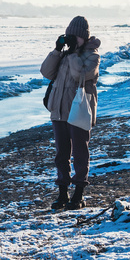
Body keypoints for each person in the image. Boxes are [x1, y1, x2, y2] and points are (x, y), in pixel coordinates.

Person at [40, 16, 100, 210]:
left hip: (79, 111)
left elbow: (80, 75)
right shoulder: (64, 55)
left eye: (76, 36)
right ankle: (62, 193)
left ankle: (79, 193)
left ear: (83, 37)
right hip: (58, 111)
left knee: (80, 153)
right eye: (69, 35)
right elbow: (46, 72)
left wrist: (73, 53)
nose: (72, 38)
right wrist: (58, 51)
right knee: (61, 154)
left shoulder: (92, 56)